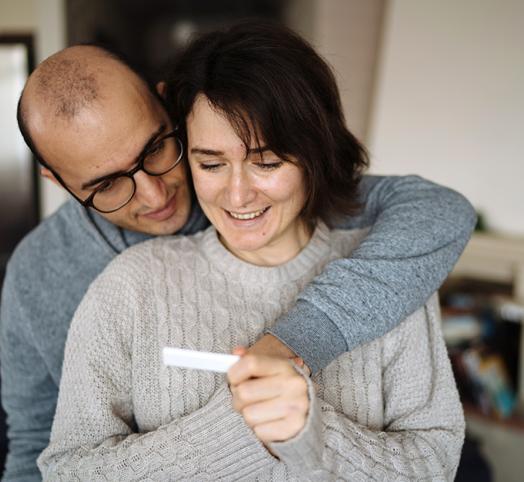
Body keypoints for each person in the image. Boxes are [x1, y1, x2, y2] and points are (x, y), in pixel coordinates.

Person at [0, 38, 474, 482]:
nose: (156, 193)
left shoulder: (367, 248)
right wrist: (248, 426)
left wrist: (298, 370)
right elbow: (44, 456)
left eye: (156, 150)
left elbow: (438, 210)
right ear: (57, 180)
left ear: (169, 112)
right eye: (107, 185)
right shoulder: (66, 280)